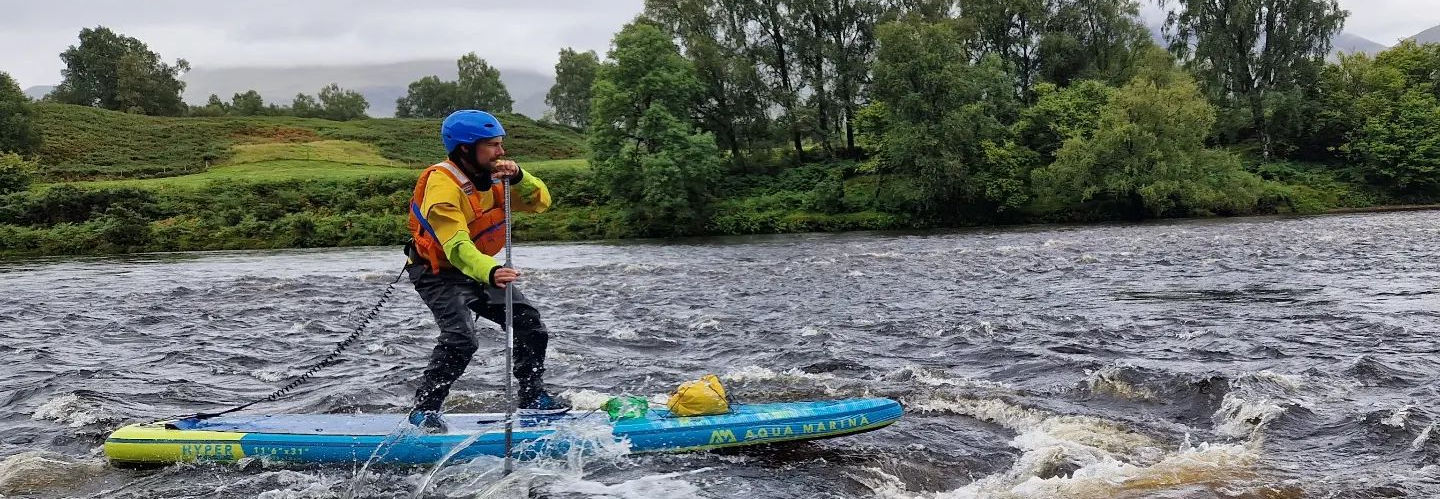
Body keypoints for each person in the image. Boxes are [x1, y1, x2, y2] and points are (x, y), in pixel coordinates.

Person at [403, 109, 568, 432]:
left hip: (480, 268)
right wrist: (491, 271)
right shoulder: (441, 185)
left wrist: (520, 176)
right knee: (461, 338)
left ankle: (532, 396)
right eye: (493, 145)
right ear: (465, 149)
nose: (501, 152)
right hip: (438, 272)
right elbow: (457, 246)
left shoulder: (496, 177)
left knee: (529, 325)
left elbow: (539, 202)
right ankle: (425, 409)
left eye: (501, 144)